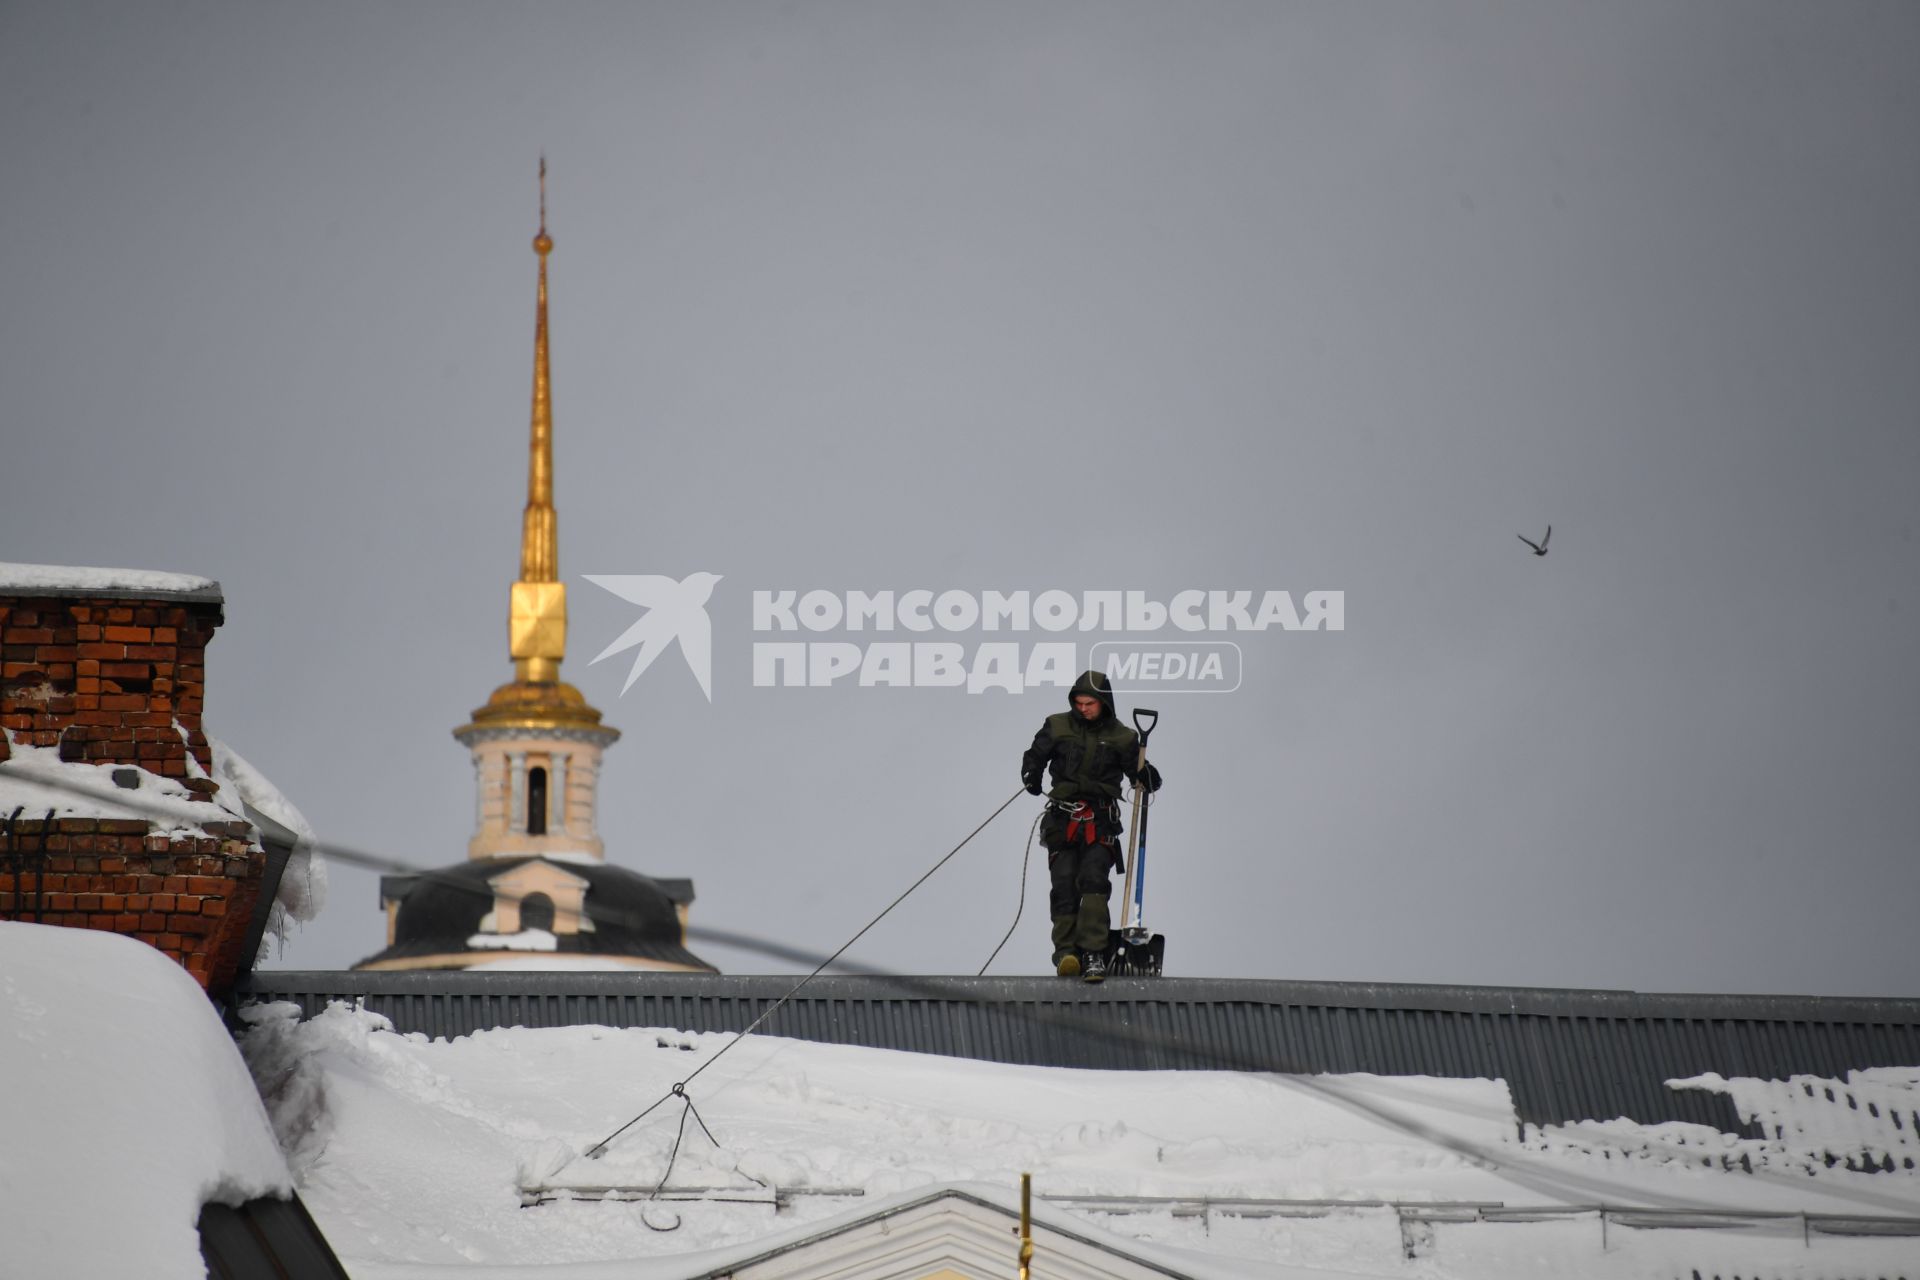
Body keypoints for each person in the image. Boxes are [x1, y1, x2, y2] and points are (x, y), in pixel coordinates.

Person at [1020, 669, 1162, 980]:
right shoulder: (1056, 725)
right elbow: (1035, 754)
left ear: (1104, 703)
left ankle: (1094, 953)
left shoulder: (1124, 738)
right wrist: (1031, 772)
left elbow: (1134, 770)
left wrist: (1146, 776)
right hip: (1062, 819)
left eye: (1089, 703)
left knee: (1094, 881)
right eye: (1078, 703)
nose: (1082, 708)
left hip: (1100, 821)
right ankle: (1067, 955)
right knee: (1064, 886)